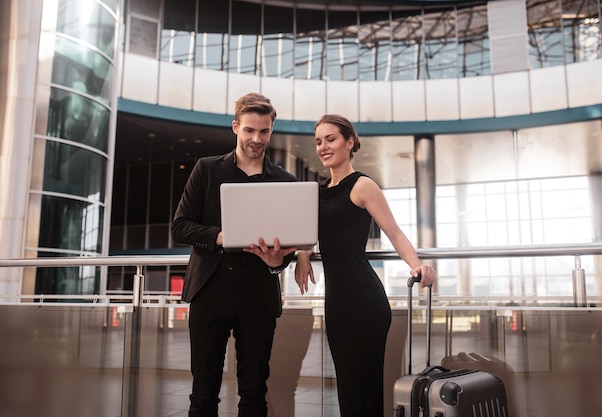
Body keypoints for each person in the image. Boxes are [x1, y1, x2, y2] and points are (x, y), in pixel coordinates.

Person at [294, 114, 437, 417]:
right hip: (336, 304)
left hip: (364, 302)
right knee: (348, 388)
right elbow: (306, 235)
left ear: (349, 142)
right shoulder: (315, 192)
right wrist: (303, 255)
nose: (323, 147)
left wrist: (418, 265)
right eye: (318, 141)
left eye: (330, 139)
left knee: (365, 390)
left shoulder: (362, 186)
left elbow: (394, 232)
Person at [171, 92, 297, 417]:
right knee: (203, 396)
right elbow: (181, 226)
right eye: (250, 130)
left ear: (271, 131)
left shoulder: (284, 182)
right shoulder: (207, 169)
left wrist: (277, 262)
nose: (257, 139)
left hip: (258, 294)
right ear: (235, 127)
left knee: (254, 395)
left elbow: (290, 246)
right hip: (209, 291)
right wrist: (221, 236)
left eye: (264, 132)